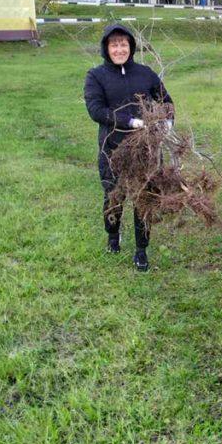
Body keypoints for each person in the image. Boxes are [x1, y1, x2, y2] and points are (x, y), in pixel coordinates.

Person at [84, 23, 173, 272]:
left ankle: (141, 251)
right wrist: (130, 121)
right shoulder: (95, 76)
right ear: (106, 48)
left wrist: (168, 121)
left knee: (144, 199)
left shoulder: (145, 74)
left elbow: (166, 100)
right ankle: (113, 236)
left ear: (131, 47)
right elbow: (96, 110)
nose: (119, 49)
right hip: (112, 150)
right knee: (114, 197)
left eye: (124, 44)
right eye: (114, 44)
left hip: (146, 151)